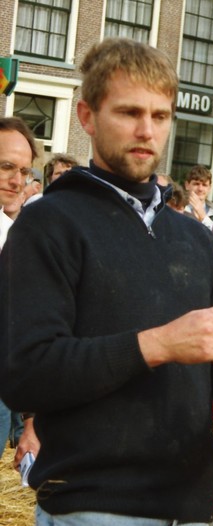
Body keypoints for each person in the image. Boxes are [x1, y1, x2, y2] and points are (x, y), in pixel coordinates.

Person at [0, 38, 213, 525]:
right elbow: (26, 373)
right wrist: (157, 344)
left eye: (160, 116)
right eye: (129, 112)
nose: (146, 130)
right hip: (94, 507)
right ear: (87, 116)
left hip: (192, 507)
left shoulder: (197, 240)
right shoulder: (47, 224)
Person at [0, 117, 38, 460]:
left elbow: (22, 325)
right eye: (6, 167)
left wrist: (30, 420)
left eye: (24, 171)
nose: (17, 181)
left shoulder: (15, 236)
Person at [184, 164, 213, 228]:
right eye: (196, 184)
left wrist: (203, 216)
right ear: (187, 185)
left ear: (209, 188)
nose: (200, 189)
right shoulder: (177, 209)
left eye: (204, 185)